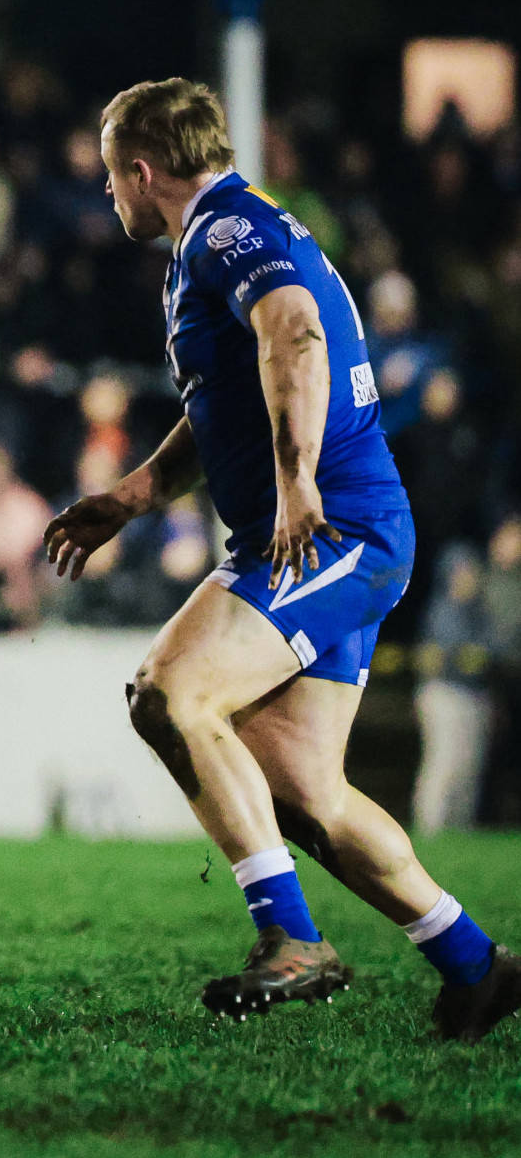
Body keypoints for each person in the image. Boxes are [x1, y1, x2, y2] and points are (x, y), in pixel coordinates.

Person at [43, 78, 518, 1041]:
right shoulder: (222, 236)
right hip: (319, 528)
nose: (107, 196)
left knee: (166, 692)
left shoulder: (224, 233)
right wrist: (131, 496)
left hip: (334, 528)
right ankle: (477, 967)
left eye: (109, 178)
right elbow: (227, 396)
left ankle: (291, 938)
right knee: (306, 792)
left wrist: (297, 479)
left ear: (142, 171)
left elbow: (295, 333)